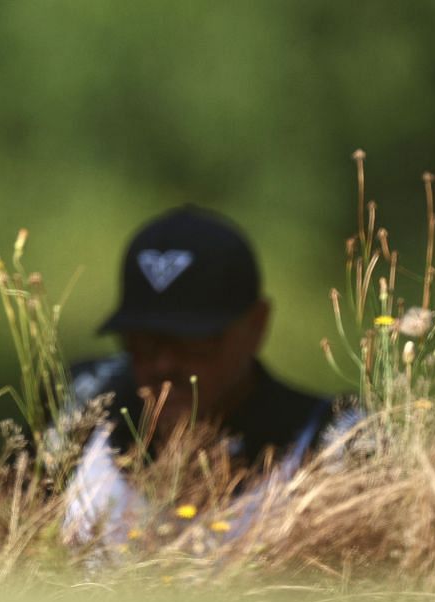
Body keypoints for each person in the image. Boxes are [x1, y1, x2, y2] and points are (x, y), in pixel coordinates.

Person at [62, 205, 345, 545]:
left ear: (256, 326)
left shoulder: (330, 443)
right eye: (141, 342)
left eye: (193, 342)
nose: (164, 364)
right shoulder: (80, 411)